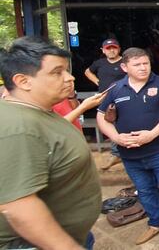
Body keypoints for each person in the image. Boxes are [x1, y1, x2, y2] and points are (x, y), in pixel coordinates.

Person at [0, 37, 101, 250]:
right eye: (57, 72)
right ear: (23, 81)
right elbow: (19, 206)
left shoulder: (37, 111)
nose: (70, 77)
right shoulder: (18, 128)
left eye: (66, 70)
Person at [96, 48, 159, 247]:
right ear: (124, 67)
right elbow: (101, 117)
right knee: (144, 190)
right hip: (130, 154)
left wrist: (151, 135)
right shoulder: (116, 88)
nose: (143, 68)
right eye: (137, 64)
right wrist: (116, 137)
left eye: (145, 63)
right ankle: (155, 223)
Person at [85, 38, 127, 170]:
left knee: (126, 123)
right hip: (106, 99)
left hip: (124, 97)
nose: (111, 50)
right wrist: (97, 82)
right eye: (108, 49)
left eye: (114, 48)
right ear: (103, 50)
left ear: (119, 49)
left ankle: (123, 153)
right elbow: (87, 72)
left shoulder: (125, 63)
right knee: (110, 124)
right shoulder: (100, 63)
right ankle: (116, 153)